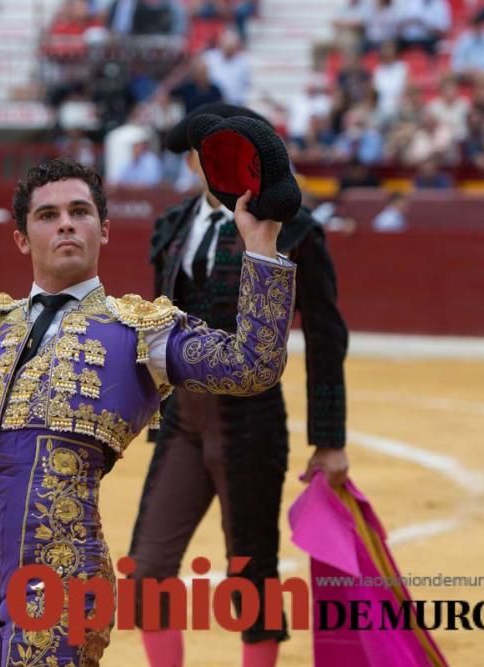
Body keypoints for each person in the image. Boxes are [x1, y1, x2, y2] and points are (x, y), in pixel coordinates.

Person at [0, 137, 299, 666]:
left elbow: (252, 364)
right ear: (23, 239)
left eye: (80, 212)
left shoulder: (142, 333)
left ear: (104, 229)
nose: (66, 223)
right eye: (48, 215)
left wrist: (261, 244)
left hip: (64, 562)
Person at [129, 103, 349, 667]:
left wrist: (330, 438)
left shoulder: (295, 230)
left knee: (250, 572)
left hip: (251, 422)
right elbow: (159, 323)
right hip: (182, 421)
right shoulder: (172, 225)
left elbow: (325, 336)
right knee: (149, 567)